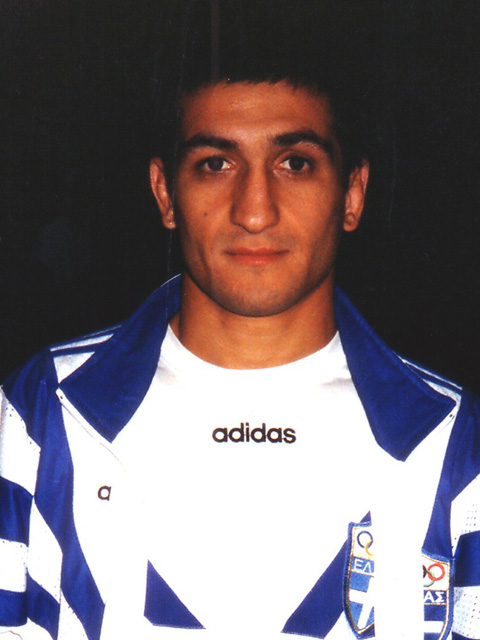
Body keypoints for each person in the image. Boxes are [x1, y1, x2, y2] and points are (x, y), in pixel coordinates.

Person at [1, 5, 479, 640]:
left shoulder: (452, 443)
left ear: (352, 194)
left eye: (295, 162)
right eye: (216, 164)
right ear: (166, 194)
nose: (255, 212)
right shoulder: (42, 417)